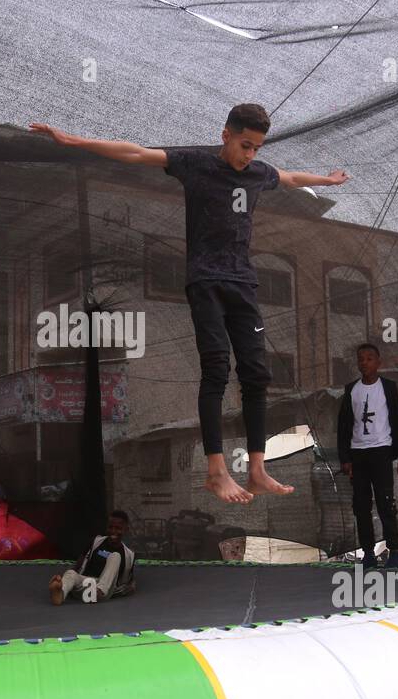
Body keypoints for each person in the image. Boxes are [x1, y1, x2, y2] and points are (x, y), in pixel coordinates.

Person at [30, 105, 348, 504]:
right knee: (216, 366)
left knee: (256, 372)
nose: (249, 155)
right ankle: (216, 470)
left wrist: (326, 180)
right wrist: (72, 139)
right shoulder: (196, 164)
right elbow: (136, 153)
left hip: (243, 282)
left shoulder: (257, 173)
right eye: (244, 145)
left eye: (256, 148)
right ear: (225, 135)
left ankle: (256, 467)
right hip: (206, 281)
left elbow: (289, 178)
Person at [336, 343, 398, 568]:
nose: (365, 362)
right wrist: (346, 459)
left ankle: (394, 551)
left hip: (382, 451)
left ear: (378, 362)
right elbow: (344, 426)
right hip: (358, 453)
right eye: (361, 359)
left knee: (386, 503)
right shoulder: (351, 390)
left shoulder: (388, 387)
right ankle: (368, 552)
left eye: (370, 358)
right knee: (361, 505)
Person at [49, 511, 136, 605]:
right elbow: (78, 565)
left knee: (115, 556)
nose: (113, 531)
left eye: (118, 528)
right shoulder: (96, 542)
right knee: (71, 573)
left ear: (126, 529)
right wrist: (64, 579)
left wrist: (129, 589)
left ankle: (98, 591)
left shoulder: (128, 555)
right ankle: (60, 594)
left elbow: (129, 582)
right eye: (110, 527)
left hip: (106, 589)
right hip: (87, 584)